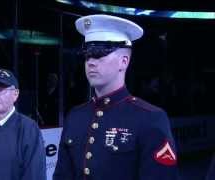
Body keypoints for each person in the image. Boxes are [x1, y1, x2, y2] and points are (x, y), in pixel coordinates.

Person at [53, 14, 179, 180]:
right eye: (87, 55)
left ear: (124, 61)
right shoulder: (75, 116)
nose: (91, 62)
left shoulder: (150, 118)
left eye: (99, 54)